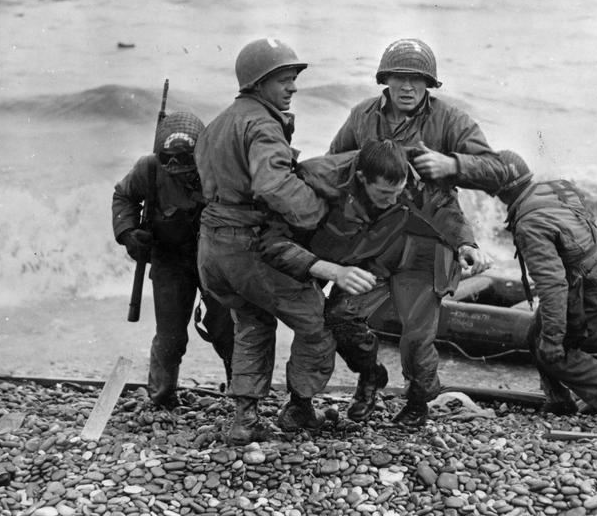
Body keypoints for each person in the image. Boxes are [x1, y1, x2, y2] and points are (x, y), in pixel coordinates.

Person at [262, 140, 483, 426]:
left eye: (398, 192)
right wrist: (326, 269)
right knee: (339, 316)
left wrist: (466, 243)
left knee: (417, 335)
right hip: (373, 251)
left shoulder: (418, 172)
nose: (393, 200)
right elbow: (273, 240)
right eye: (383, 194)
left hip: (424, 253)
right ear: (362, 179)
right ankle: (370, 375)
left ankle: (418, 401)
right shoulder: (316, 181)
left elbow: (446, 208)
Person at [195, 37, 338, 445]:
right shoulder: (262, 124)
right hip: (248, 245)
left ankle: (245, 418)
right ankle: (300, 407)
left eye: (293, 79)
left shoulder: (218, 123)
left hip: (211, 250)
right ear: (258, 84)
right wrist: (316, 212)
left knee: (253, 322)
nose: (293, 88)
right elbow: (273, 184)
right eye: (283, 80)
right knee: (316, 320)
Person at [485, 151, 597, 421]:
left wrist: (552, 339)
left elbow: (553, 286)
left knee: (553, 350)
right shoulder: (555, 187)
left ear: (499, 191)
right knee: (534, 336)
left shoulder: (530, 223)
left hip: (585, 286)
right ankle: (561, 401)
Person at [327, 38, 503, 273]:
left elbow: (497, 170)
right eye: (399, 77)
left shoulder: (450, 120)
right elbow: (333, 166)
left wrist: (452, 165)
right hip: (369, 234)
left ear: (428, 83)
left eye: (416, 78)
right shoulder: (362, 115)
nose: (407, 87)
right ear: (386, 79)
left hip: (428, 233)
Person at [112, 111, 235, 409]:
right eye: (168, 158)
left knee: (226, 328)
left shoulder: (220, 170)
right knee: (169, 336)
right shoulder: (149, 169)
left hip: (214, 259)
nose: (176, 166)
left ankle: (241, 395)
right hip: (169, 260)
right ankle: (161, 397)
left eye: (185, 158)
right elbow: (123, 196)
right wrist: (128, 233)